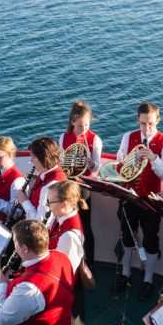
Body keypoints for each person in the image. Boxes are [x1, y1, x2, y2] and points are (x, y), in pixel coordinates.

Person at [112, 102, 163, 300]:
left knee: (150, 240)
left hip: (151, 199)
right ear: (138, 121)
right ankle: (125, 274)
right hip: (129, 196)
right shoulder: (128, 137)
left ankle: (148, 280)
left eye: (150, 123)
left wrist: (153, 158)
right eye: (142, 124)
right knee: (127, 237)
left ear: (158, 120)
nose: (146, 128)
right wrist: (129, 162)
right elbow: (119, 164)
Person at [59, 99, 103, 265]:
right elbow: (63, 162)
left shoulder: (94, 140)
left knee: (84, 226)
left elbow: (96, 168)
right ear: (72, 122)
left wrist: (91, 163)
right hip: (68, 185)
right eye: (79, 126)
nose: (83, 129)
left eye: (86, 125)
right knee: (67, 225)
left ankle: (88, 262)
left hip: (84, 187)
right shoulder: (64, 137)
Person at [47, 180, 87, 325]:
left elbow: (63, 275)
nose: (48, 205)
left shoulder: (69, 237)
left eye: (50, 202)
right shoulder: (60, 217)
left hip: (65, 296)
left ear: (64, 204)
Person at [15, 136, 67, 222]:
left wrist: (24, 201)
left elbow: (41, 221)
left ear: (44, 159)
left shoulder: (51, 185)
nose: (31, 160)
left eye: (34, 157)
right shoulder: (46, 173)